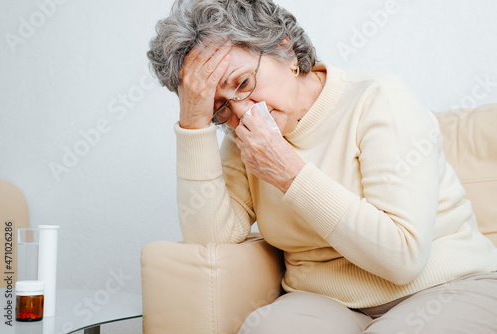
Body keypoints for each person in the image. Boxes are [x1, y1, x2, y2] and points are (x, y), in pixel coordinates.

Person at [147, 0, 497, 332]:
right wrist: (194, 125)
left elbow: (402, 258)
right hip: (324, 301)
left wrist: (290, 174)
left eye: (243, 83)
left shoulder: (379, 99)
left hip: (445, 285)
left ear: (286, 51)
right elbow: (211, 239)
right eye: (218, 106)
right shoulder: (244, 136)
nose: (240, 113)